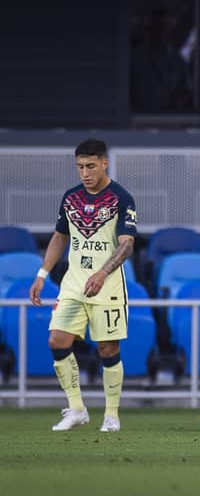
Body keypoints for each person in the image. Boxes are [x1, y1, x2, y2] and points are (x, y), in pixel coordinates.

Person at [29, 139, 136, 432]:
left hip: (108, 286)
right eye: (80, 167)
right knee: (57, 341)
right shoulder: (70, 197)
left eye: (90, 166)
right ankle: (77, 409)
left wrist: (102, 273)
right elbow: (60, 236)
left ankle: (111, 415)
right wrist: (42, 273)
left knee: (107, 348)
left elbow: (127, 245)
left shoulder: (121, 198)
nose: (85, 173)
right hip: (74, 284)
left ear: (104, 163)